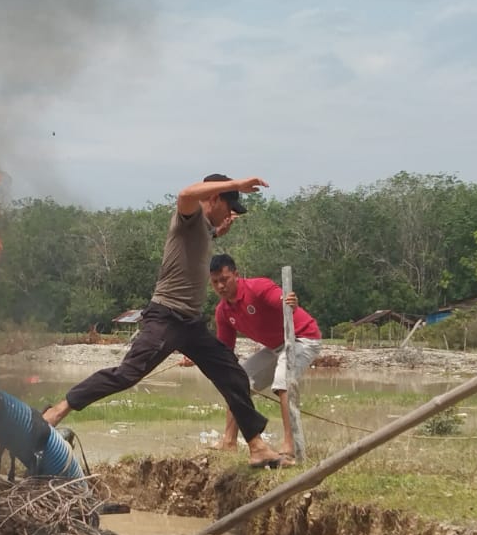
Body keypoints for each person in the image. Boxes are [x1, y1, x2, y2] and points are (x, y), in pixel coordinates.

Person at [42, 176, 286, 469]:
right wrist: (239, 182)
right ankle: (58, 410)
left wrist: (217, 232)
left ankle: (256, 446)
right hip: (167, 316)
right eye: (229, 204)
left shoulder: (205, 229)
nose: (230, 212)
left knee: (232, 374)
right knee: (127, 374)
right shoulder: (188, 218)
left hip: (191, 324)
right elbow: (185, 194)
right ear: (214, 198)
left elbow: (198, 244)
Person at [206, 253, 323, 460]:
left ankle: (290, 445)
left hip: (302, 337)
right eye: (215, 282)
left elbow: (285, 302)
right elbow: (225, 352)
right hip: (275, 346)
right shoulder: (223, 311)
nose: (221, 286)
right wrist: (198, 357)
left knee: (282, 380)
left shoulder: (257, 287)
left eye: (224, 279)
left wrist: (290, 302)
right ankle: (229, 441)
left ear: (236, 275)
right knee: (236, 380)